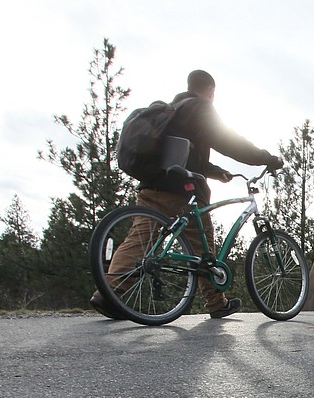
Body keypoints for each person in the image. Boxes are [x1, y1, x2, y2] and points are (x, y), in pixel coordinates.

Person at [91, 69, 283, 319]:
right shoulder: (200, 108)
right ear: (211, 90)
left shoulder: (174, 110)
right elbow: (229, 141)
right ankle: (216, 302)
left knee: (140, 240)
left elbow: (186, 153)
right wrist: (266, 159)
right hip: (183, 192)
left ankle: (108, 294)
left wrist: (216, 172)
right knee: (203, 247)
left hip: (153, 185)